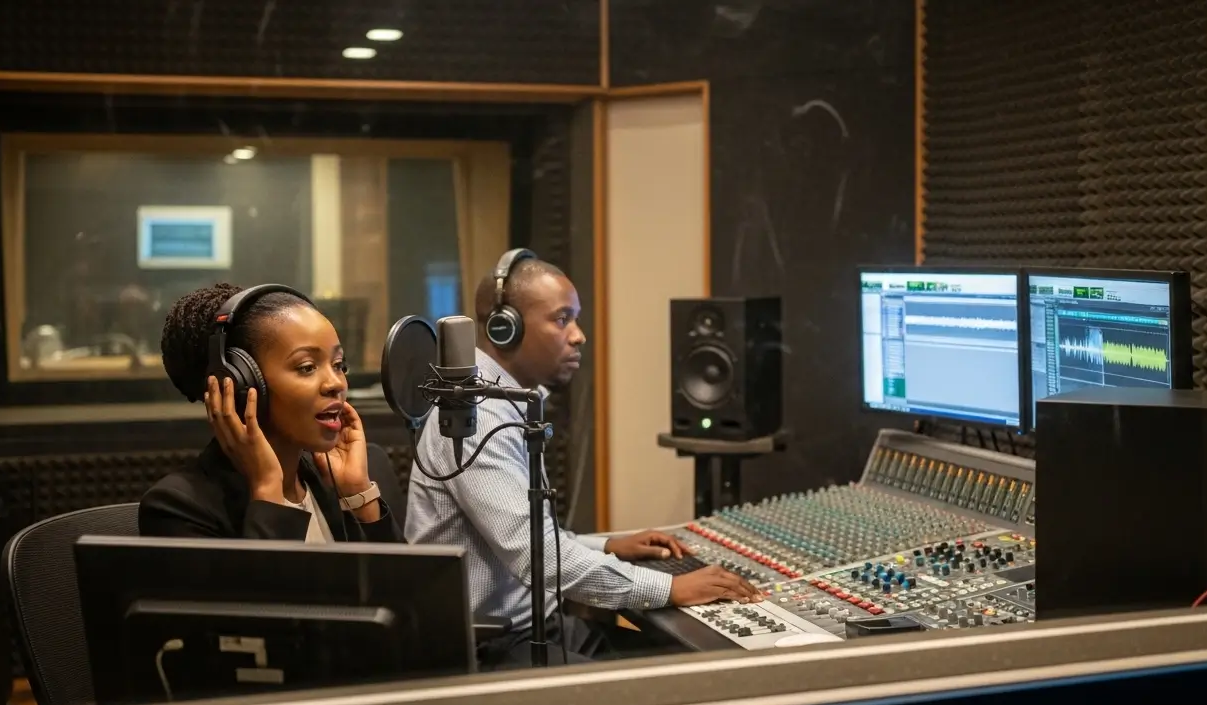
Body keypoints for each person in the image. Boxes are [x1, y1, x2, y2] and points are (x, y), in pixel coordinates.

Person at [405, 250, 761, 669]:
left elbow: (534, 534)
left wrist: (608, 545)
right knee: (664, 690)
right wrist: (668, 588)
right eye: (561, 319)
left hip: (537, 624)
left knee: (672, 661)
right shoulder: (477, 414)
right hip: (491, 647)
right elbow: (536, 557)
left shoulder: (507, 402)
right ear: (506, 330)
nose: (578, 335)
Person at [140, 283, 402, 544]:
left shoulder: (349, 476)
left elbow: (408, 586)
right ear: (241, 383)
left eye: (338, 365)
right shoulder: (181, 509)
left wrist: (357, 495)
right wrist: (267, 489)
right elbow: (273, 586)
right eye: (307, 367)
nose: (336, 383)